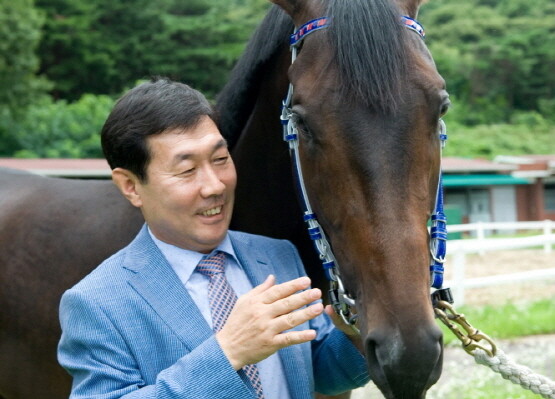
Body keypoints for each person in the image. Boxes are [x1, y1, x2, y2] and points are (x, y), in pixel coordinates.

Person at [57, 77, 370, 399]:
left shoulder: (277, 256)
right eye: (187, 170)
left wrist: (352, 334)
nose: (215, 186)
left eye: (220, 160)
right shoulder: (96, 303)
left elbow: (316, 371)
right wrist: (228, 353)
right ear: (131, 186)